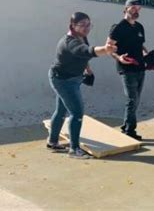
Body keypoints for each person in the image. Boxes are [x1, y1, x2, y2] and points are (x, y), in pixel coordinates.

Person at [48, 12, 117, 159]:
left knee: (61, 110)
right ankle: (74, 150)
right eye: (82, 25)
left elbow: (83, 55)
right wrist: (105, 50)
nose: (86, 28)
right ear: (72, 26)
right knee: (77, 113)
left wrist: (87, 69)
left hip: (71, 78)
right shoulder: (69, 42)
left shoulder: (81, 36)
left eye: (88, 24)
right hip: (63, 81)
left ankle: (52, 142)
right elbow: (85, 50)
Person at [108, 0, 149, 141]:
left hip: (140, 68)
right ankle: (129, 131)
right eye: (133, 7)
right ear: (125, 9)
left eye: (138, 8)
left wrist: (147, 54)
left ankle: (126, 126)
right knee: (132, 99)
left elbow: (141, 46)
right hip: (126, 68)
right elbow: (109, 47)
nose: (136, 10)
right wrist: (118, 57)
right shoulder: (118, 27)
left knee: (136, 100)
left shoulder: (140, 27)